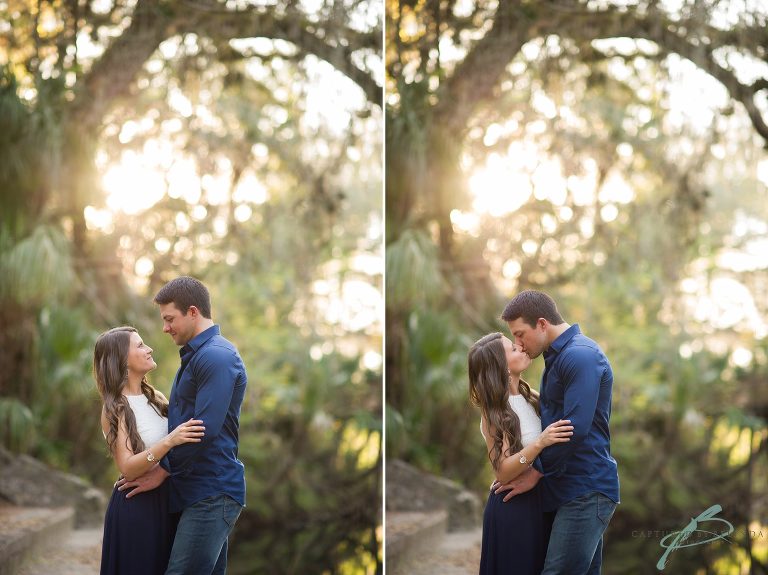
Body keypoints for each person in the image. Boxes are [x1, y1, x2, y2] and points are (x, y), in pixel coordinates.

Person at [117, 276, 248, 575]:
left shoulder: (215, 356)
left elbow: (203, 430)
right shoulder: (196, 357)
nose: (165, 328)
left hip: (212, 491)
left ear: (192, 311)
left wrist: (162, 470)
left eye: (169, 319)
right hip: (195, 491)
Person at [496, 290, 619, 575]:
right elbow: (550, 414)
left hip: (586, 488)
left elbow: (573, 429)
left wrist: (534, 471)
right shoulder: (557, 358)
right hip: (568, 490)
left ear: (541, 324)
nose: (518, 343)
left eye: (520, 334)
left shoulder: (579, 356)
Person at [94, 326, 205, 575]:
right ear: (122, 360)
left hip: (167, 499)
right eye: (141, 345)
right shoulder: (114, 408)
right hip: (138, 506)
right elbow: (127, 467)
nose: (149, 349)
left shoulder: (157, 397)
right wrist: (169, 442)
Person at [468, 332, 574, 575]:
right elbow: (502, 471)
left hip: (539, 500)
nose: (521, 347)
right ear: (502, 367)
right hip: (513, 507)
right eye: (512, 349)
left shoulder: (532, 397)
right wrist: (539, 443)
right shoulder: (494, 411)